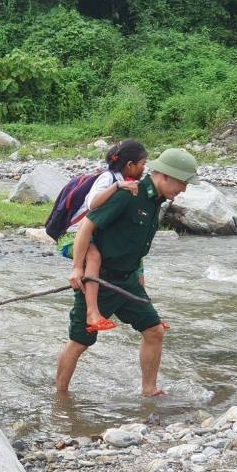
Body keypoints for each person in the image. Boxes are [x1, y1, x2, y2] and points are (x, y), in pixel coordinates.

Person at [56, 148, 200, 397]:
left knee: (154, 331)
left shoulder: (156, 202)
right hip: (100, 281)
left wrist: (141, 283)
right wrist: (77, 268)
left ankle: (149, 390)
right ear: (165, 175)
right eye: (182, 183)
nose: (184, 190)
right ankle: (60, 397)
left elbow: (137, 245)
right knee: (79, 343)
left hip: (129, 281)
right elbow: (87, 226)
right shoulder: (128, 193)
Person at [56, 140, 148, 333]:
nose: (144, 168)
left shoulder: (128, 182)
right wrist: (117, 187)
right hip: (73, 235)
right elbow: (92, 204)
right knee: (94, 256)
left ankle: (149, 317)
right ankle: (92, 313)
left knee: (135, 262)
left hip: (96, 234)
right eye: (142, 164)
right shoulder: (108, 178)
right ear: (130, 165)